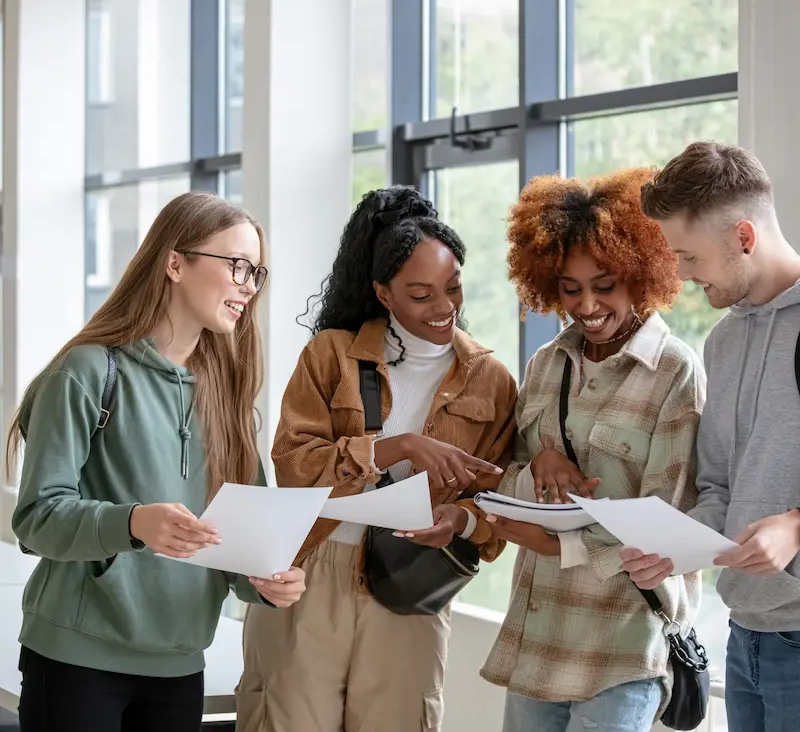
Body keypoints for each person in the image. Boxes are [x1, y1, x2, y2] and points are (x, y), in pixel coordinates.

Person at [7, 192, 306, 732]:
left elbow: (238, 539)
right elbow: (36, 520)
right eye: (236, 265)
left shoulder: (227, 396)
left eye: (256, 272)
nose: (248, 285)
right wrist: (133, 523)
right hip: (75, 660)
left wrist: (263, 579)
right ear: (175, 264)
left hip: (179, 666)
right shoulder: (86, 372)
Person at [235, 185, 517, 732]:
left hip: (413, 581)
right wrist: (398, 446)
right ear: (384, 293)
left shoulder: (492, 380)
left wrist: (460, 519)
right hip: (313, 568)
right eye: (421, 295)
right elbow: (292, 464)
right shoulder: (331, 355)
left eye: (452, 288)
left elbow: (498, 497)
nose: (444, 308)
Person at [480, 168, 706, 732]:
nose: (587, 304)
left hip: (622, 646)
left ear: (639, 275)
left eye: (604, 285)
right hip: (539, 638)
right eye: (570, 288)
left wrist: (558, 545)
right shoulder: (545, 365)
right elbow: (502, 477)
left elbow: (667, 522)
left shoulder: (674, 372)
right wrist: (538, 464)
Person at [622, 142, 800, 732]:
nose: (680, 274)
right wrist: (673, 549)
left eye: (689, 256)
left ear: (744, 237)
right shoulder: (722, 343)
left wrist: (796, 525)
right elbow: (720, 486)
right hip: (745, 636)